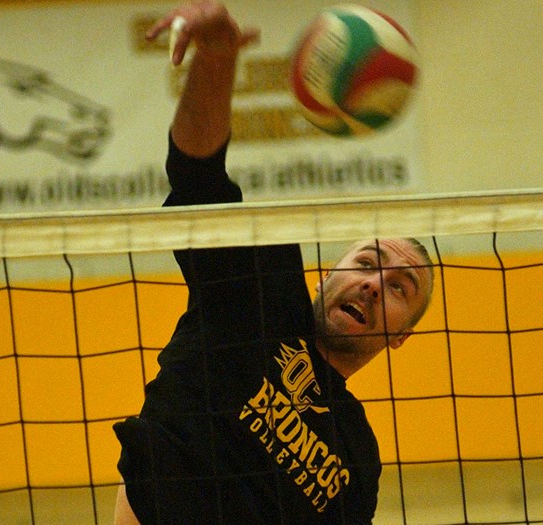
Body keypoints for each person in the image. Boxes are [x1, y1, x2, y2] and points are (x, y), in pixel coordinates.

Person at [113, 2, 434, 523]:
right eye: (367, 262)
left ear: (402, 335)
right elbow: (197, 176)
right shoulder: (258, 292)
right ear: (330, 272)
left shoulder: (357, 458)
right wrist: (217, 57)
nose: (375, 285)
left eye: (401, 288)